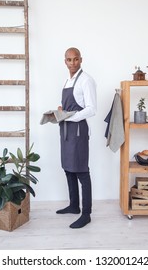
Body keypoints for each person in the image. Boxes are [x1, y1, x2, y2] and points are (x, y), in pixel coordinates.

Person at [56, 47, 97, 228]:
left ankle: (86, 213)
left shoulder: (86, 80)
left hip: (78, 130)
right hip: (66, 130)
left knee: (81, 170)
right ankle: (74, 206)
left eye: (75, 59)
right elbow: (70, 104)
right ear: (65, 61)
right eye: (69, 60)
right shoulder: (68, 80)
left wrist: (69, 115)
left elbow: (91, 109)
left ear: (81, 59)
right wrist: (60, 111)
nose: (72, 63)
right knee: (68, 168)